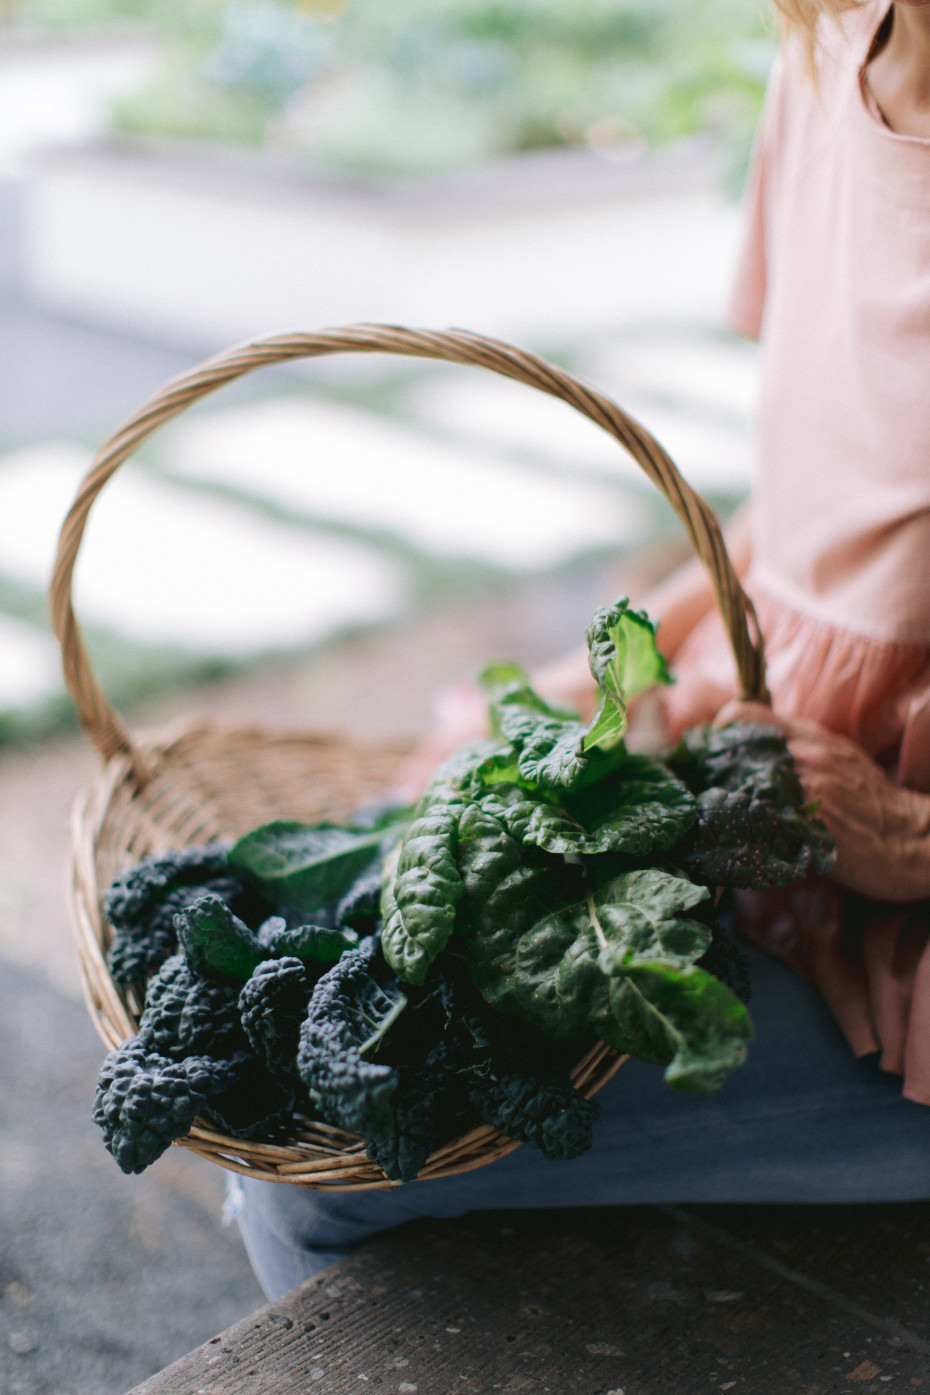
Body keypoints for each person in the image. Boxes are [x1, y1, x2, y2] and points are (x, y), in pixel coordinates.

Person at [229, 0, 930, 1299]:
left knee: (301, 1146)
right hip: (771, 800)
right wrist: (620, 672)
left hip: (900, 951)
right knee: (307, 1011)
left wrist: (903, 836)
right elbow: (830, 506)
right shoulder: (832, 45)